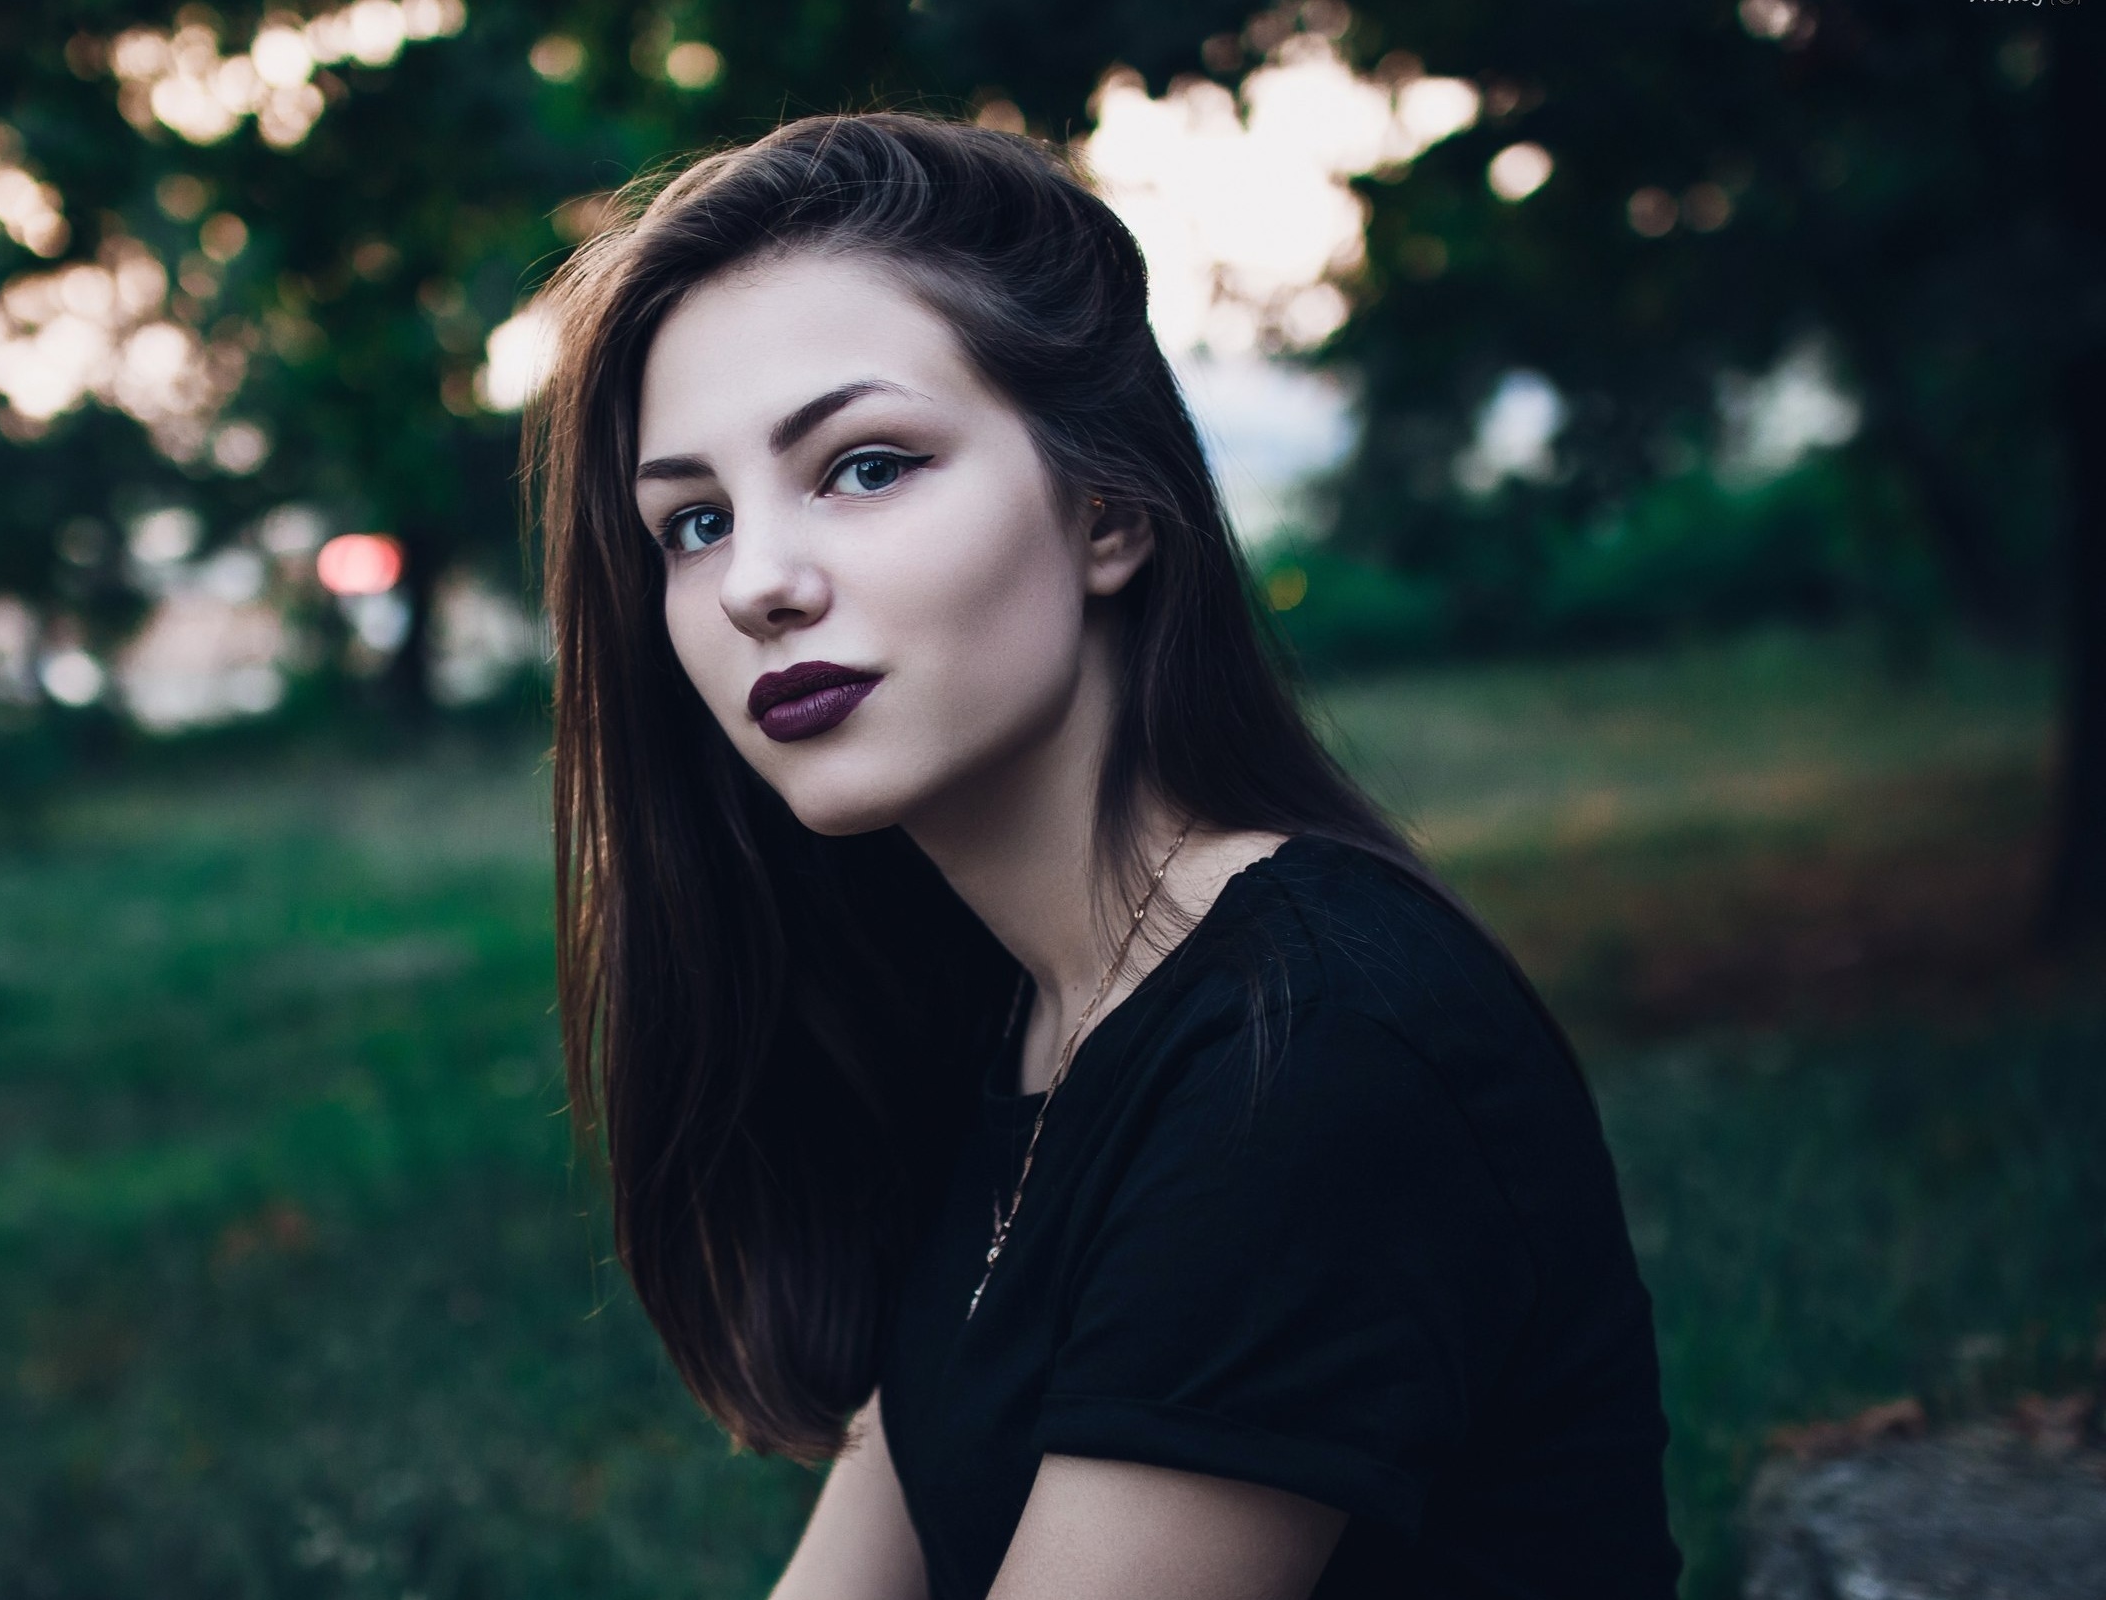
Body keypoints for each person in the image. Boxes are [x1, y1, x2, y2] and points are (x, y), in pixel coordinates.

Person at [529, 111, 1680, 1599]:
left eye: (865, 466)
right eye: (690, 520)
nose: (756, 581)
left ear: (1110, 512)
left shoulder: (1311, 1045)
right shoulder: (1009, 1009)